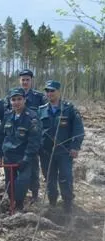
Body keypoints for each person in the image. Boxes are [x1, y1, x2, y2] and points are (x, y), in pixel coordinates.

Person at [38, 80, 84, 214]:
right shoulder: (41, 111)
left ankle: (67, 204)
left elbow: (78, 130)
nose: (50, 93)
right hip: (46, 153)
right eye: (47, 91)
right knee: (49, 179)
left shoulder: (69, 109)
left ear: (59, 91)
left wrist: (75, 147)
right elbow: (37, 132)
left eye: (52, 91)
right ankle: (52, 202)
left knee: (65, 178)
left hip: (64, 152)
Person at [0, 87, 41, 211]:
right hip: (9, 156)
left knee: (22, 183)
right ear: (10, 101)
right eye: (13, 99)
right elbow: (1, 136)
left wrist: (27, 158)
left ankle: (19, 204)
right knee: (9, 184)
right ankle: (13, 203)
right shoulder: (7, 116)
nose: (16, 102)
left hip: (24, 157)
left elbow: (34, 140)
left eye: (19, 99)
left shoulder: (32, 117)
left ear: (24, 100)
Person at [13, 69, 46, 202]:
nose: (25, 82)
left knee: (33, 167)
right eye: (23, 79)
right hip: (17, 139)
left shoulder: (39, 97)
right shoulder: (13, 95)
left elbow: (44, 114)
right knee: (17, 168)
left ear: (31, 81)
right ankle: (17, 194)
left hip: (33, 138)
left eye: (27, 79)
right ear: (19, 80)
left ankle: (34, 194)